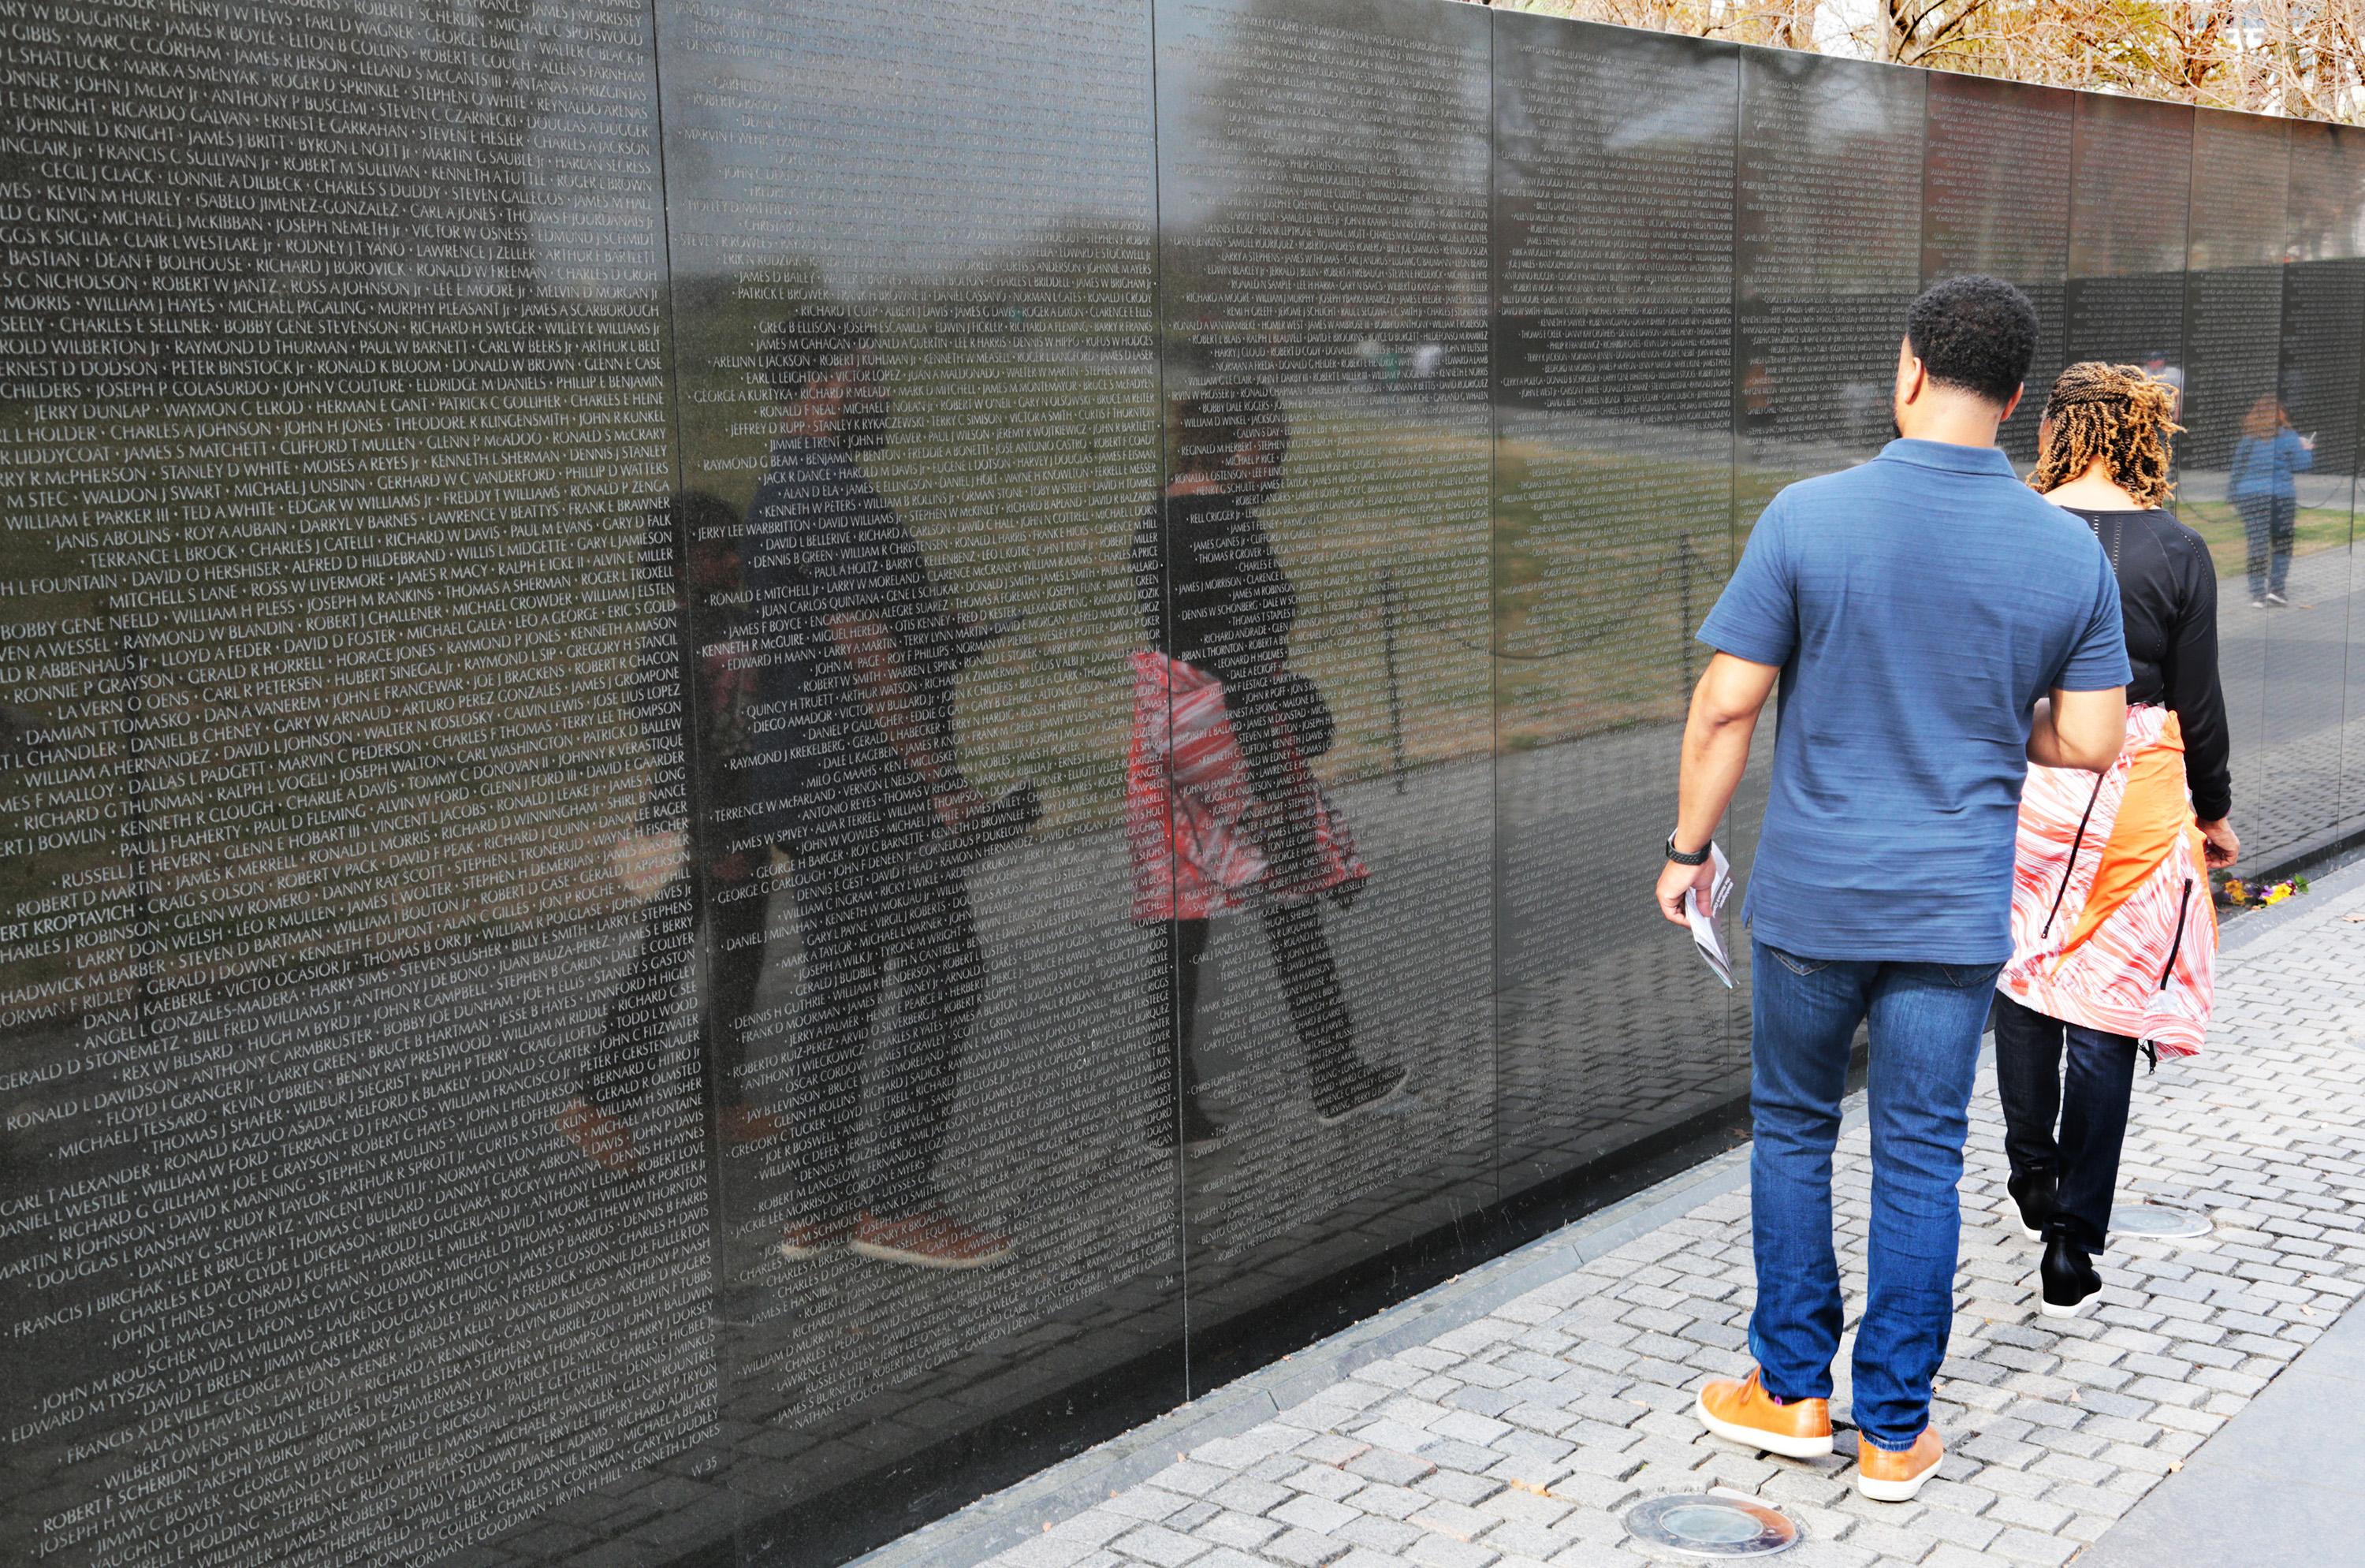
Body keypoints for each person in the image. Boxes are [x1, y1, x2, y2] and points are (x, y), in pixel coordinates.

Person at [1659, 277, 2130, 1503]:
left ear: (1908, 371)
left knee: (1797, 1130)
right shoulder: (2065, 551)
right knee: (1922, 1154)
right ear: (2020, 398)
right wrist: (1990, 721)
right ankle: (1894, 1431)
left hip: (1814, 904)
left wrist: (1686, 848)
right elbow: (2088, 741)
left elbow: (1725, 702)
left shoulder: (1809, 516)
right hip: (1952, 914)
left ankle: (1791, 1391)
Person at [744, 305, 1005, 1270]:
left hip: (816, 787)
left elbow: (842, 633)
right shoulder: (832, 488)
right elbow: (860, 647)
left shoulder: (783, 488)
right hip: (872, 788)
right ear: (830, 383)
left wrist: (936, 637)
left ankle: (817, 1209)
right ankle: (897, 1202)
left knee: (843, 988)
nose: (883, 391)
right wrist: (939, 781)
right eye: (872, 371)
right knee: (948, 971)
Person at [1996, 363, 2238, 1320]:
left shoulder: (2013, 525)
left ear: (2057, 428)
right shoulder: (2177, 549)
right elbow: (2199, 702)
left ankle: (2032, 1174)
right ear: (2145, 435)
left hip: (2029, 773)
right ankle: (2073, 1238)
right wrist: (2211, 810)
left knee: (2026, 971)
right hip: (2134, 786)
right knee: (2107, 1006)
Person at [1127, 380, 1405, 1149]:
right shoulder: (1222, 519)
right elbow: (1242, 655)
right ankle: (1336, 1073)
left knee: (1181, 918)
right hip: (1229, 730)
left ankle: (1172, 1107)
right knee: (1291, 895)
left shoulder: (1159, 513)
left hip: (1166, 723)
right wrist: (1271, 779)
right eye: (1270, 449)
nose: (1277, 466)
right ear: (1237, 443)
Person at [555, 493, 781, 1175]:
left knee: (740, 964)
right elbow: (676, 746)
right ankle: (597, 1106)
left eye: (736, 546)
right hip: (687, 827)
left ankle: (716, 1100)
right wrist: (713, 840)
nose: (735, 560)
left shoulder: (737, 620)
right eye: (718, 551)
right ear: (681, 564)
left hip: (740, 817)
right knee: (660, 968)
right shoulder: (670, 641)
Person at [2228, 393, 2313, 607]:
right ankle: (2276, 589)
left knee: (2256, 544)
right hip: (2281, 497)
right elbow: (2302, 465)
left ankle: (2257, 593)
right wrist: (2306, 449)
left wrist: (2232, 497)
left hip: (2250, 495)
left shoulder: (2248, 439)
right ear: (2280, 414)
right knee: (2282, 543)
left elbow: (2237, 469)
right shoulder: (2289, 437)